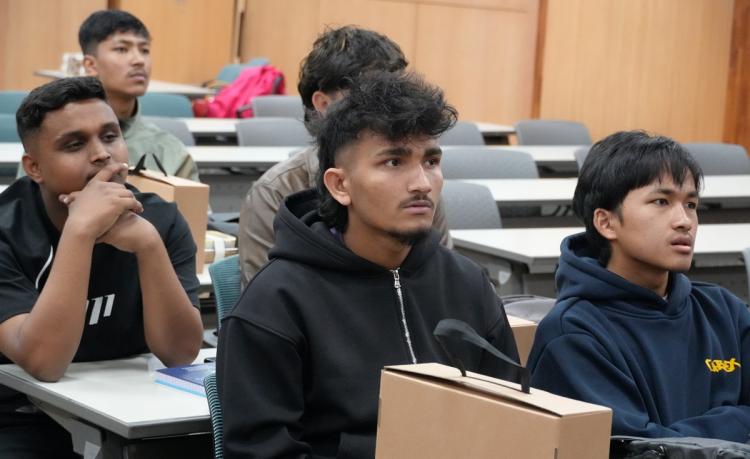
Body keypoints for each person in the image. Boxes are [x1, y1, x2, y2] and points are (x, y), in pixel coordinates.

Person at [218, 71, 520, 458]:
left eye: (431, 161)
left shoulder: (467, 283)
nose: (422, 183)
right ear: (340, 185)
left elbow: (510, 421)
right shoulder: (275, 305)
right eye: (394, 162)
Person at [0, 77, 203, 457]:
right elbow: (44, 363)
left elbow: (179, 353)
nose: (101, 154)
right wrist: (80, 231)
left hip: (134, 406)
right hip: (20, 414)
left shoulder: (159, 221)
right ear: (34, 167)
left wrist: (148, 245)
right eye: (74, 144)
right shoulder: (7, 231)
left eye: (110, 137)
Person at [527, 131, 750, 443]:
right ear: (606, 222)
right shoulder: (574, 333)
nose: (684, 221)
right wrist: (739, 420)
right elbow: (638, 449)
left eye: (691, 204)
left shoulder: (724, 311)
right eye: (661, 201)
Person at [238, 26, 452, 287]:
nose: (392, 108)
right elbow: (268, 298)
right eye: (370, 96)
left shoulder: (418, 187)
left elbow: (445, 282)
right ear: (323, 105)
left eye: (397, 93)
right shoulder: (276, 191)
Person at [79, 9, 199, 181]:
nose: (139, 60)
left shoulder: (169, 151)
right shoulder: (63, 143)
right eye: (122, 49)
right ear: (91, 65)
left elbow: (191, 198)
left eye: (144, 50)